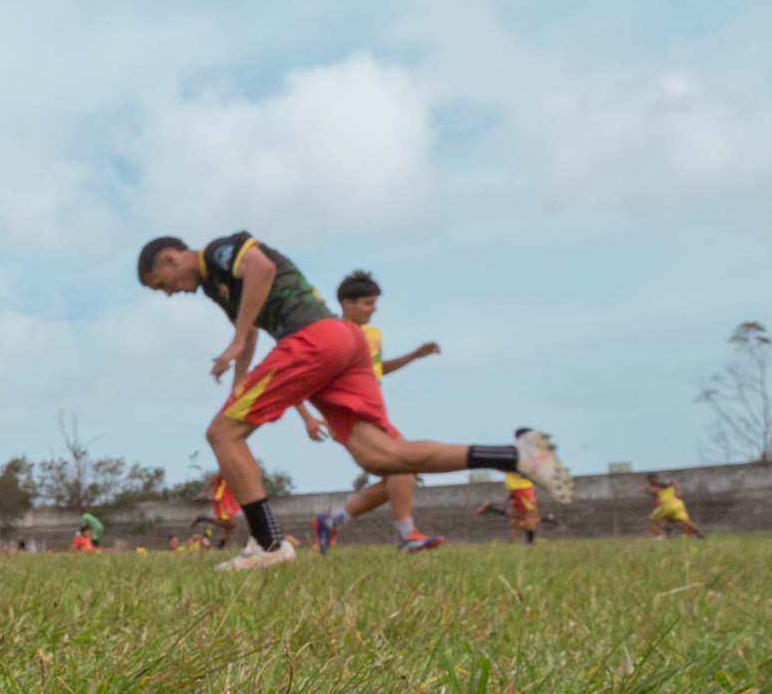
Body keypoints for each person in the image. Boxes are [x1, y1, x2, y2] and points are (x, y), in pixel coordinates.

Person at [138, 233, 570, 571]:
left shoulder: (217, 251)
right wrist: (236, 379)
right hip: (346, 344)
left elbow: (261, 266)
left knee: (220, 435)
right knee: (381, 455)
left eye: (163, 285)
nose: (170, 294)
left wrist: (235, 341)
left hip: (315, 339)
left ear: (171, 259)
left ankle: (269, 543)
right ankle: (515, 456)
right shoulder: (220, 289)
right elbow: (248, 336)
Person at [312, 270, 445, 555]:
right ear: (346, 303)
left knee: (400, 479)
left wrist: (412, 356)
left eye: (375, 303)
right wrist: (307, 416)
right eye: (367, 303)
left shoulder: (372, 334)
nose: (374, 309)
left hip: (373, 411)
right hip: (348, 414)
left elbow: (375, 368)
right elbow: (306, 374)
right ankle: (406, 534)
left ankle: (331, 521)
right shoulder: (331, 332)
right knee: (404, 464)